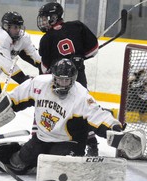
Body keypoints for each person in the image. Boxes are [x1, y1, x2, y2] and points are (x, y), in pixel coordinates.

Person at [0, 59, 133, 174]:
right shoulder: (38, 83)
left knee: (56, 167)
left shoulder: (80, 95)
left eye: (67, 80)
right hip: (42, 137)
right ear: (53, 77)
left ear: (73, 80)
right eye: (60, 79)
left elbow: (98, 115)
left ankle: (65, 158)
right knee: (18, 163)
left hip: (69, 142)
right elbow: (15, 98)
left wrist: (114, 127)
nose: (63, 84)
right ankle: (32, 158)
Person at [36, 2, 99, 156]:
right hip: (79, 79)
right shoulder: (77, 26)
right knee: (82, 110)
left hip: (58, 83)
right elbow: (93, 50)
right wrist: (79, 57)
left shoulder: (47, 38)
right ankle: (91, 143)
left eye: (46, 18)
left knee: (60, 111)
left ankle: (58, 142)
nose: (43, 22)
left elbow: (45, 69)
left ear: (54, 17)